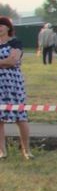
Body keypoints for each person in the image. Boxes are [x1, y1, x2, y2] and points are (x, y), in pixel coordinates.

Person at [0, 17, 32, 160]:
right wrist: (5, 62)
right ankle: (2, 151)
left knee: (21, 117)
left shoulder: (15, 42)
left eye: (2, 25)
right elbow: (8, 61)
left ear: (8, 27)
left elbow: (13, 60)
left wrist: (7, 62)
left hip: (14, 83)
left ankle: (26, 150)